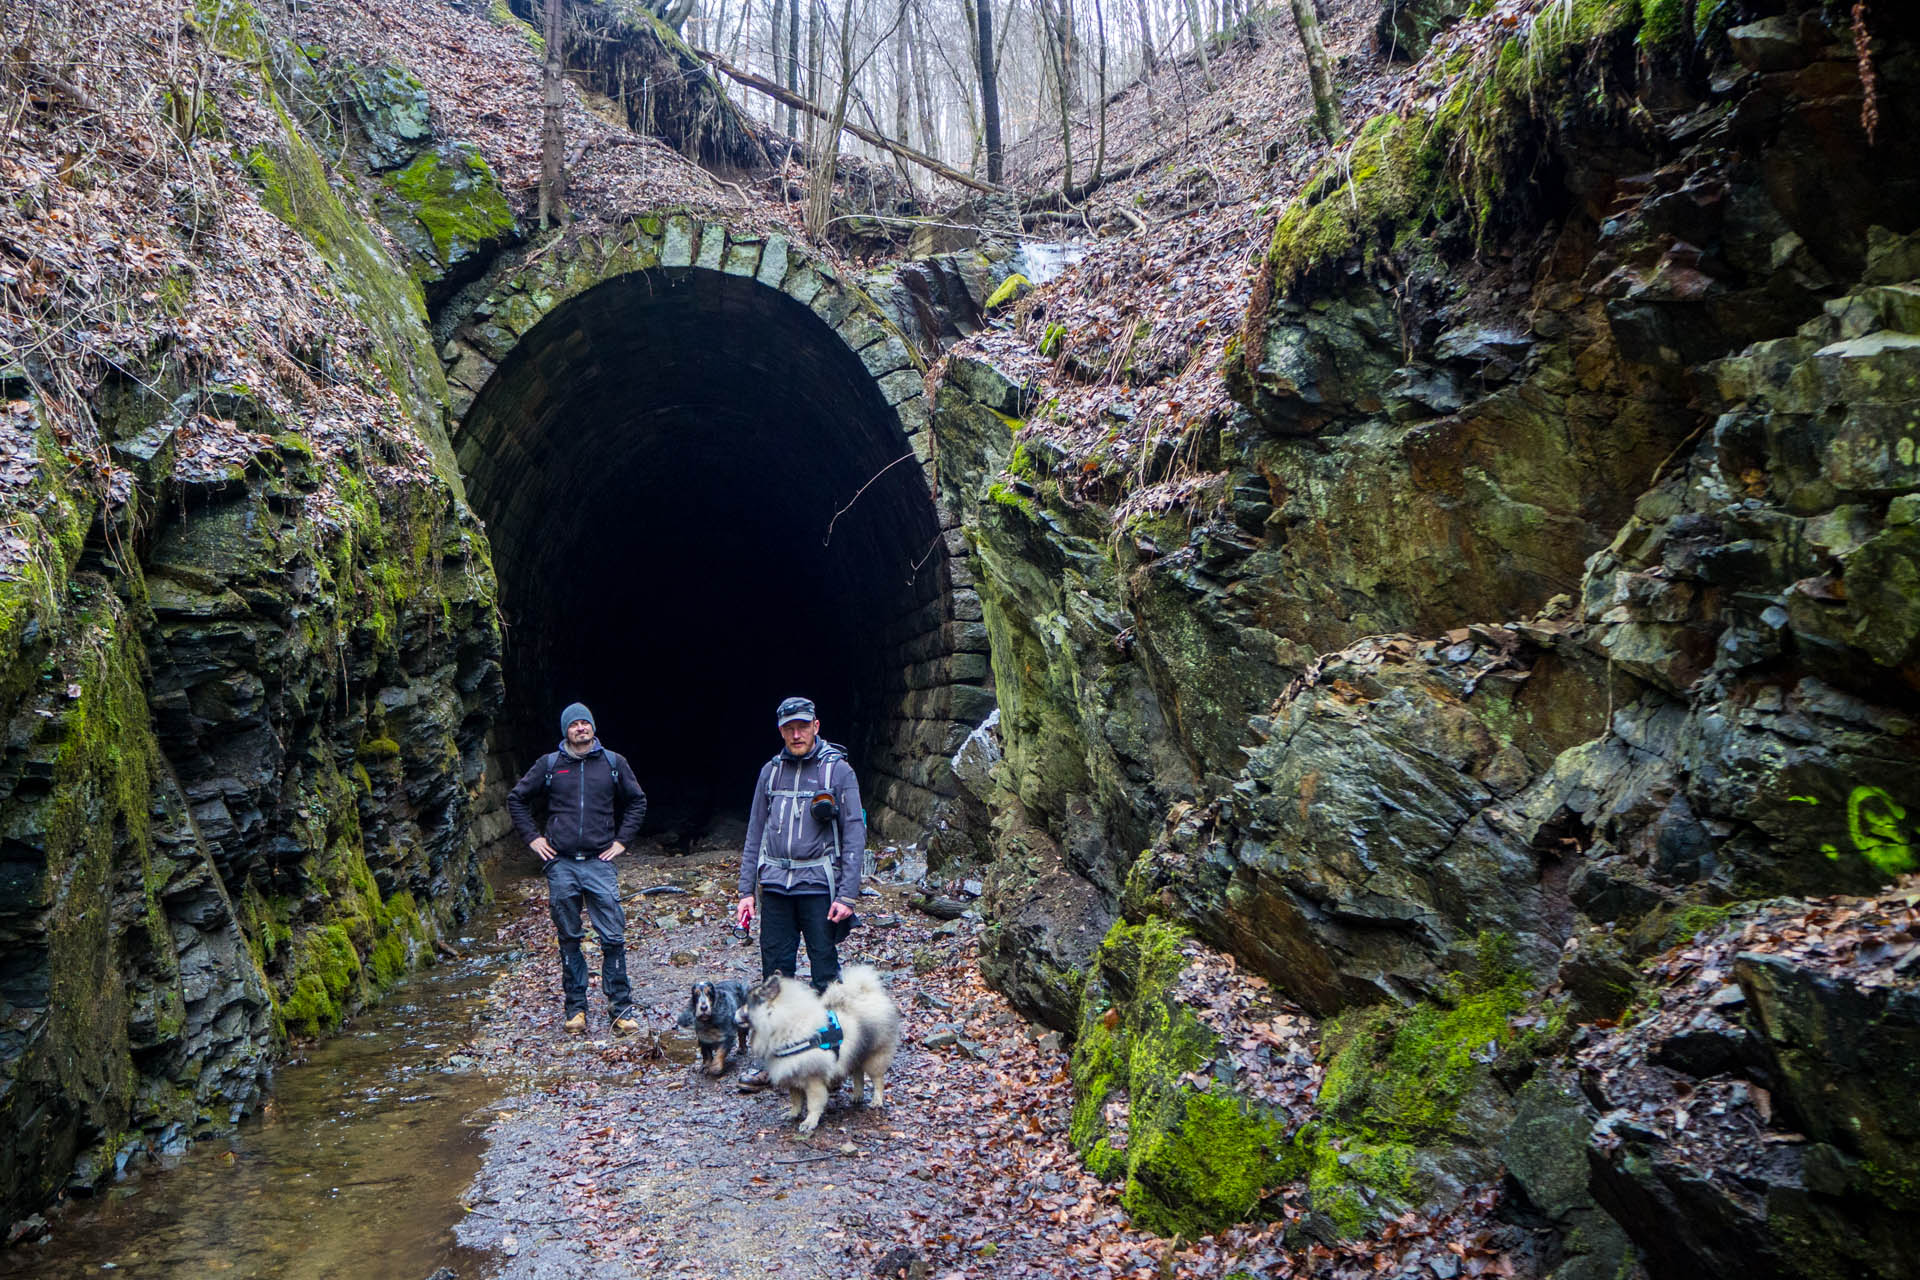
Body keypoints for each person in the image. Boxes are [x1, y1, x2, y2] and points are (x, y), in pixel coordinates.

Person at [735, 697, 864, 1086]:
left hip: (819, 888)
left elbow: (856, 833)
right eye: (789, 728)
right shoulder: (769, 774)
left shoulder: (837, 772)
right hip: (775, 887)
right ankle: (776, 1059)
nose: (796, 734)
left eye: (802, 726)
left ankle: (834, 1059)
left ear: (816, 726)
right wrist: (746, 891)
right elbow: (754, 833)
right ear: (780, 731)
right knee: (774, 978)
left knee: (826, 973)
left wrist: (847, 895)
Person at [507, 702, 647, 1035]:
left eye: (585, 723)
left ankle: (621, 1009)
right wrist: (534, 840)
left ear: (593, 728)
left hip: (600, 862)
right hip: (562, 865)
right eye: (574, 725)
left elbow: (637, 801)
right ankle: (576, 1010)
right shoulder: (551, 764)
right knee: (569, 938)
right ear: (565, 731)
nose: (581, 728)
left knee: (612, 937)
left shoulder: (614, 763)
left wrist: (621, 842)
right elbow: (517, 798)